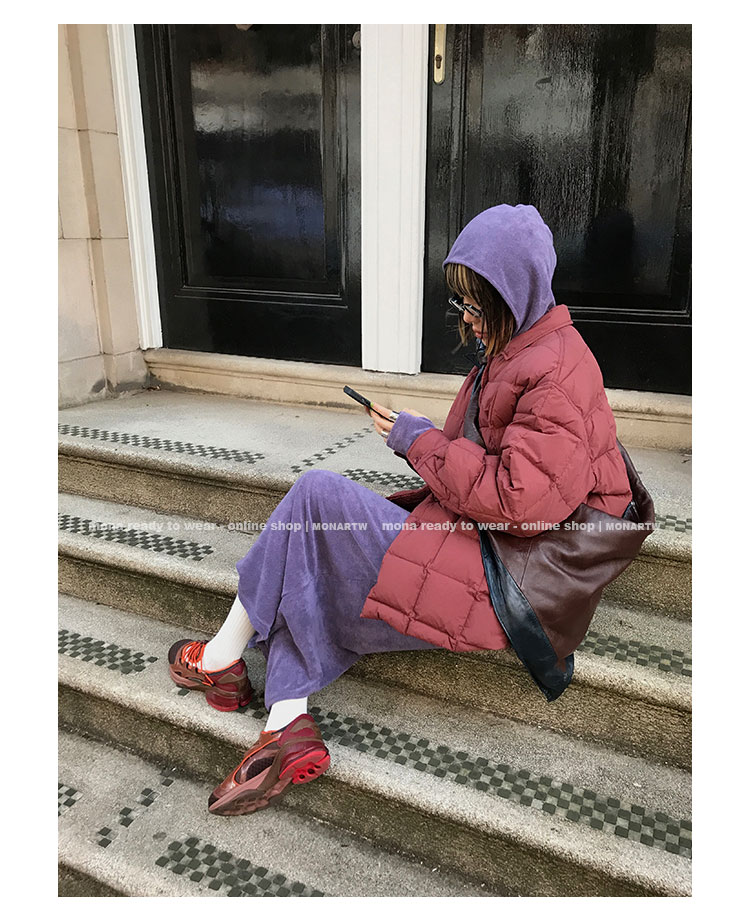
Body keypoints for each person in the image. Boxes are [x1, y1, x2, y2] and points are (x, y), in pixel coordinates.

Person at [167, 203, 633, 816]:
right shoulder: (520, 349)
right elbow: (492, 471)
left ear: (514, 295)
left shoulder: (557, 372)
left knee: (316, 499)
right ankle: (282, 720)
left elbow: (517, 502)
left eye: (476, 304)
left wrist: (418, 441)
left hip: (515, 581)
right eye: (462, 302)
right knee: (312, 541)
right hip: (493, 547)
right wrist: (421, 437)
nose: (466, 318)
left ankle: (226, 664)